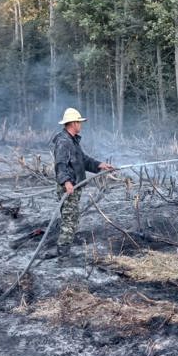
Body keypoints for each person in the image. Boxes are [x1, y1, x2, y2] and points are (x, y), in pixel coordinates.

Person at [51, 108, 114, 258]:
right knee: (70, 220)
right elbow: (60, 164)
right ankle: (63, 254)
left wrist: (100, 165)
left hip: (74, 187)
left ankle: (64, 249)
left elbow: (83, 160)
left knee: (72, 218)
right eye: (79, 122)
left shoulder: (72, 141)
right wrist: (66, 182)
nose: (81, 125)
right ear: (73, 123)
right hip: (69, 188)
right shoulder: (64, 141)